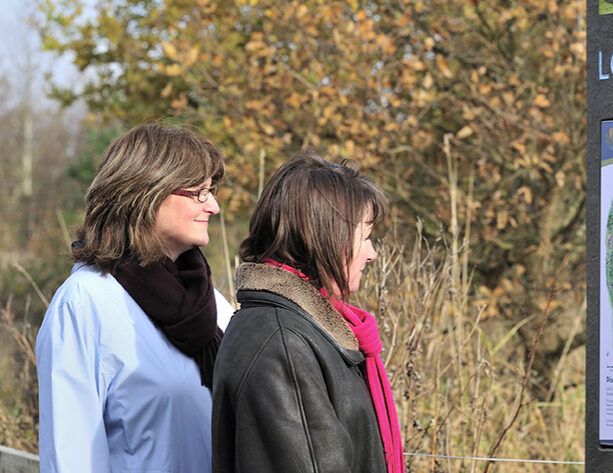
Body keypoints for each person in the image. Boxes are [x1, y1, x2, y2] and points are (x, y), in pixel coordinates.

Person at [35, 124, 234, 473]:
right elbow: (71, 458)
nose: (214, 206)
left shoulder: (212, 304)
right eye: (199, 192)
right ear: (146, 192)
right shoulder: (85, 303)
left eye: (212, 191)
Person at [211, 153, 404, 473]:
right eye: (365, 237)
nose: (371, 254)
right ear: (325, 237)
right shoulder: (284, 345)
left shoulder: (301, 330)